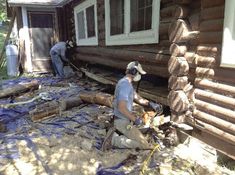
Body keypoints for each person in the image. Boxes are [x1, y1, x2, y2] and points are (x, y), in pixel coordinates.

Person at [102, 61, 162, 151]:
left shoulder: (127, 83)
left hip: (124, 119)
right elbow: (121, 107)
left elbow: (137, 97)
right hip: (122, 121)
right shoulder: (125, 85)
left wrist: (150, 104)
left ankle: (117, 134)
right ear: (134, 72)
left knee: (142, 139)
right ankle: (114, 140)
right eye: (139, 73)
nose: (139, 75)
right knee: (144, 145)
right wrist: (135, 120)